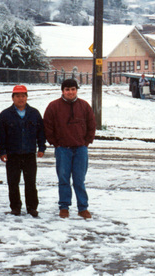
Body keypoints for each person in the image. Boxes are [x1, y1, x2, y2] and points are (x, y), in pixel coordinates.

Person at [43, 78, 96, 219]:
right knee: (63, 179)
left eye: (73, 89)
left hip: (80, 149)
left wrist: (86, 142)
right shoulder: (53, 106)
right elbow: (47, 126)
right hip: (63, 149)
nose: (70, 92)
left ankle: (82, 208)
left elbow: (92, 125)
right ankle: (64, 207)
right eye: (67, 89)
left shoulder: (84, 106)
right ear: (62, 91)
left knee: (79, 180)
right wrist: (55, 143)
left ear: (76, 90)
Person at [0, 84, 46, 217]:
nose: (21, 99)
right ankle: (15, 207)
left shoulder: (34, 113)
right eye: (18, 96)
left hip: (29, 154)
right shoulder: (5, 115)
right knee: (13, 182)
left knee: (30, 182)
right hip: (12, 154)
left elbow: (41, 132)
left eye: (23, 96)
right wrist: (2, 151)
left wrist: (41, 147)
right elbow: (1, 135)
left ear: (27, 97)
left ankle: (32, 207)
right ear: (12, 98)